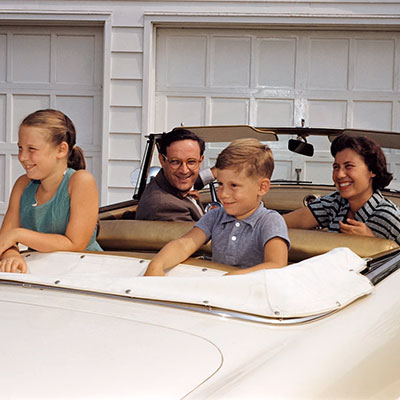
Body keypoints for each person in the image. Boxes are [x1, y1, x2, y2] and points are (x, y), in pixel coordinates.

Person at [145, 138, 290, 276]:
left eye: (234, 185)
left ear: (262, 187)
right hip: (217, 287)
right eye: (220, 184)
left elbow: (276, 264)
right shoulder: (215, 216)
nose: (223, 194)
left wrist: (232, 277)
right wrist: (157, 264)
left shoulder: (270, 221)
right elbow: (184, 244)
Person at [0, 109, 102, 274]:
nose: (22, 157)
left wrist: (18, 234)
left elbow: (75, 244)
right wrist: (11, 255)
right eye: (20, 148)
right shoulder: (22, 184)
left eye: (32, 149)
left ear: (61, 150)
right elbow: (5, 239)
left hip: (84, 274)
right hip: (42, 273)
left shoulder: (81, 181)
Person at [284, 133, 400, 245]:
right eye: (336, 167)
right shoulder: (335, 202)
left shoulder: (389, 217)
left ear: (372, 170)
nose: (339, 175)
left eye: (349, 166)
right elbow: (281, 223)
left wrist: (373, 242)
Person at [135, 128, 215, 222]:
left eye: (191, 162)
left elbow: (197, 180)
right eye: (175, 162)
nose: (184, 170)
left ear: (200, 161)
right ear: (162, 160)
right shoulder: (166, 208)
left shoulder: (168, 185)